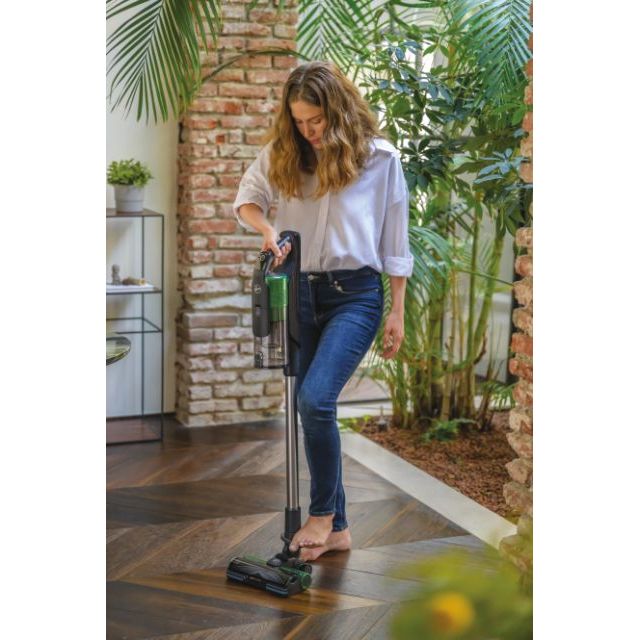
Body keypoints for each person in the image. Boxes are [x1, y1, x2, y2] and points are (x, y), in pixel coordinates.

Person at [232, 60, 414, 562]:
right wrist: (267, 229)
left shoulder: (380, 160)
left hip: (355, 295)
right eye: (299, 121)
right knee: (311, 407)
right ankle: (339, 530)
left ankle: (320, 516)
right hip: (298, 294)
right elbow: (248, 198)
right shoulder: (284, 152)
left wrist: (397, 311)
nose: (308, 130)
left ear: (339, 111)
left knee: (314, 400)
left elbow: (395, 241)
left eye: (316, 120)